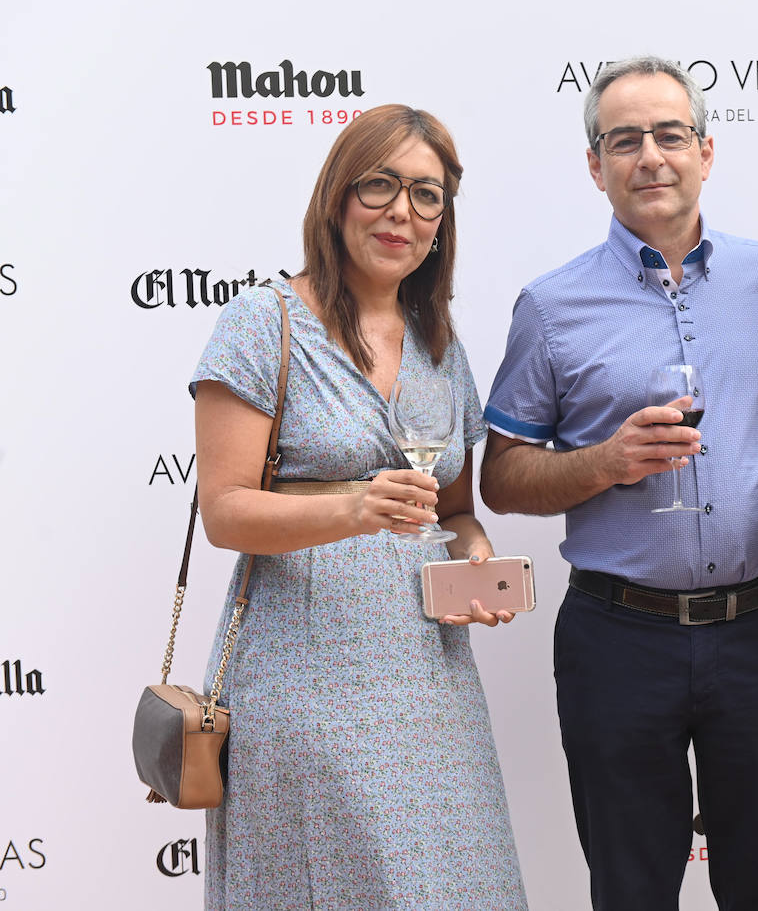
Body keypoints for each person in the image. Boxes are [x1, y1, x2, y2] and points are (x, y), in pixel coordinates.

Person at [481, 56, 758, 911]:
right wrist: (606, 462)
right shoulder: (551, 307)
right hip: (619, 640)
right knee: (631, 890)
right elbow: (501, 478)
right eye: (624, 140)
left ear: (707, 151)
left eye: (670, 134)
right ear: (596, 166)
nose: (651, 156)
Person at [190, 104, 527, 910]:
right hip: (305, 681)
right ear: (338, 197)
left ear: (442, 222)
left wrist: (475, 562)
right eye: (380, 186)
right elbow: (225, 513)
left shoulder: (439, 343)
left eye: (426, 195)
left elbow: (456, 514)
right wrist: (356, 509)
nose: (401, 212)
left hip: (432, 682)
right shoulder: (262, 323)